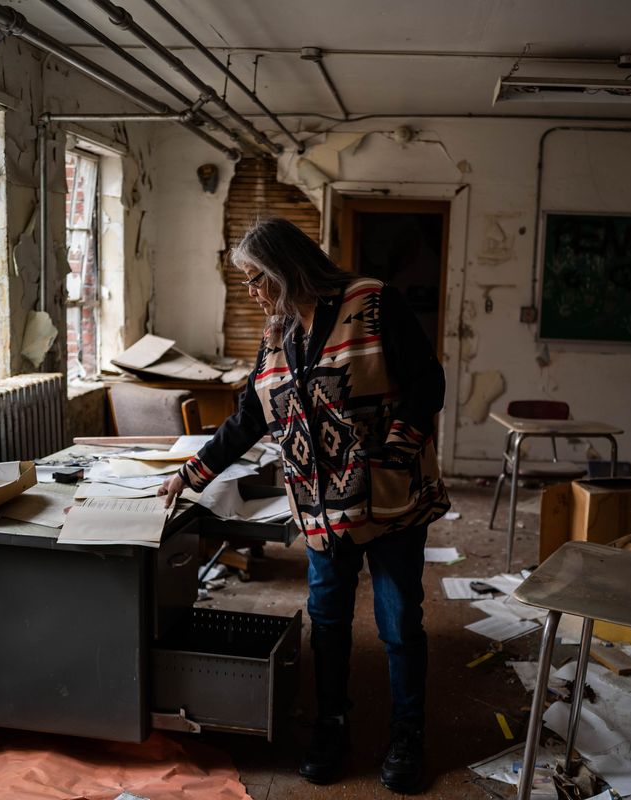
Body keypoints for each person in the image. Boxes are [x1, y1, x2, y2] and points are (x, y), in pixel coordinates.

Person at [159, 216, 450, 792]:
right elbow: (248, 417)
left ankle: (407, 734)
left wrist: (396, 449)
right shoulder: (278, 335)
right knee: (330, 622)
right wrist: (192, 473)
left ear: (285, 268)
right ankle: (332, 724)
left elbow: (427, 383)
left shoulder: (371, 302)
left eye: (255, 276)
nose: (251, 290)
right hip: (319, 510)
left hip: (390, 502)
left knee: (398, 624)